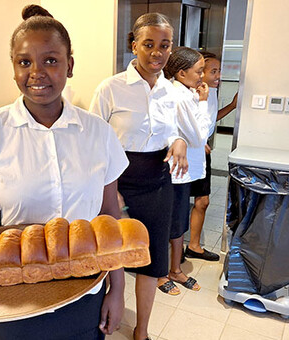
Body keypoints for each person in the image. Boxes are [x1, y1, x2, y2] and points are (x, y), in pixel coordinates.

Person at [0, 5, 129, 340]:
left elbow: (110, 217)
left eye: (50, 60)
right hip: (15, 295)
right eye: (24, 62)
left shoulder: (98, 133)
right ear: (14, 68)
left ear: (69, 65)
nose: (37, 72)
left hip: (85, 291)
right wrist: (25, 238)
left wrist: (117, 288)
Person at [89, 13, 203, 340]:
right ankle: (102, 320)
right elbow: (94, 142)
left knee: (152, 261)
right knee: (108, 253)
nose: (157, 52)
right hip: (117, 181)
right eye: (149, 44)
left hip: (157, 182)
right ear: (134, 44)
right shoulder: (111, 88)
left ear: (171, 49)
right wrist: (107, 187)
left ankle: (142, 330)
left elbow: (189, 135)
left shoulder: (172, 92)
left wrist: (178, 141)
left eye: (164, 46)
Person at [156, 47, 212, 295]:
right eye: (199, 70)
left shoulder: (185, 92)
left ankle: (175, 269)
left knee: (177, 222)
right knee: (166, 223)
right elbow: (199, 135)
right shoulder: (178, 96)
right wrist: (203, 103)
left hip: (184, 171)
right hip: (174, 171)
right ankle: (160, 273)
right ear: (181, 72)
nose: (203, 76)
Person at [184, 52, 238, 261]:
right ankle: (176, 248)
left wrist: (232, 106)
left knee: (202, 201)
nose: (219, 76)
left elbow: (209, 120)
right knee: (181, 203)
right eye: (213, 71)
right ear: (199, 73)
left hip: (201, 152)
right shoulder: (188, 94)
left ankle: (194, 246)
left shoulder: (211, 92)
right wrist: (198, 140)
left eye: (219, 71)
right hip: (187, 154)